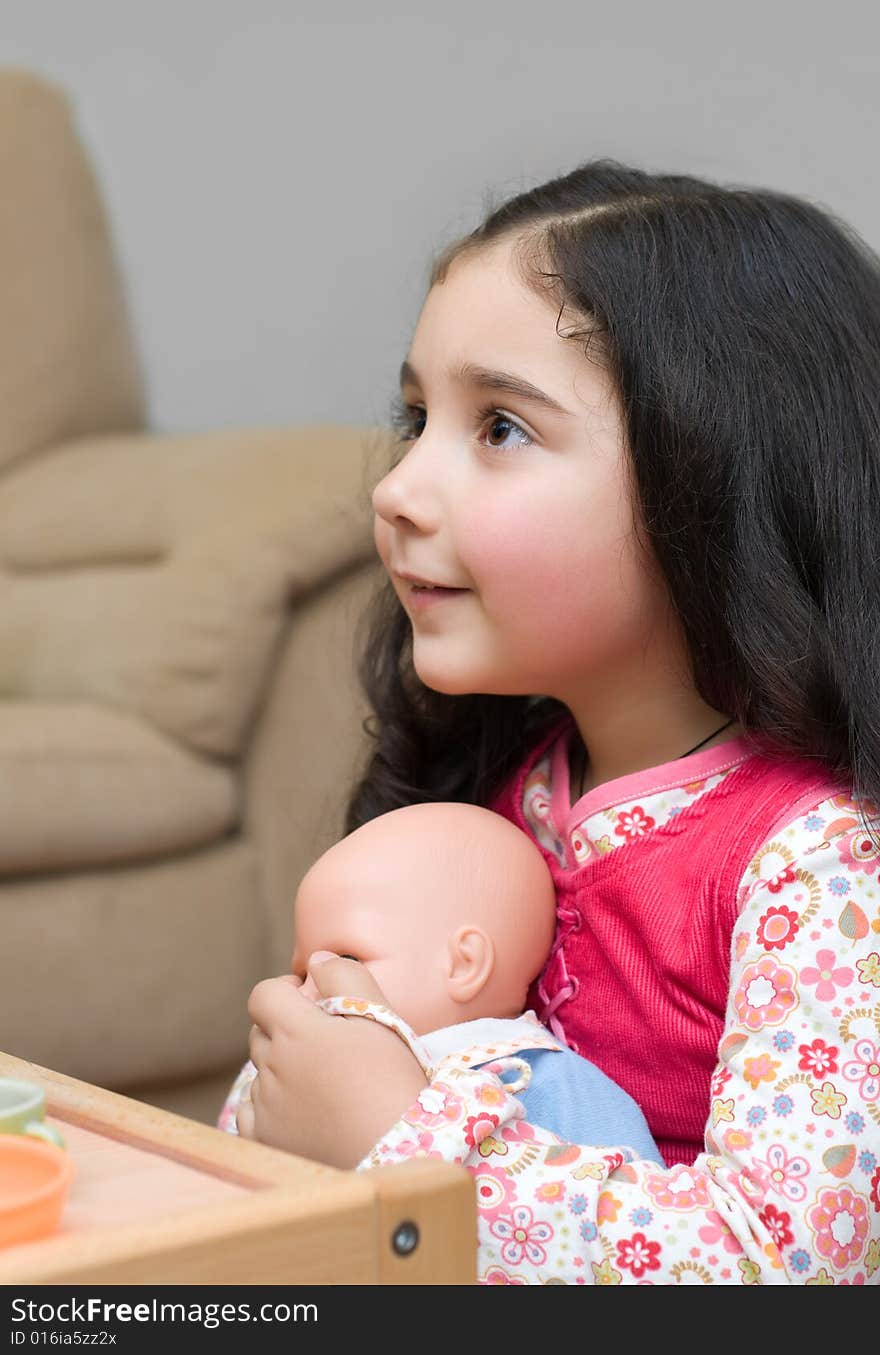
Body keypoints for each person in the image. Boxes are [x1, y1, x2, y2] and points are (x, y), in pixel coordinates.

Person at [236, 159, 880, 1285]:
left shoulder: (820, 862)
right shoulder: (509, 788)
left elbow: (788, 1263)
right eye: (415, 417)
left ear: (714, 475)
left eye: (498, 426)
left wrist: (405, 1150)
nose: (395, 487)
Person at [221, 800, 660, 1164]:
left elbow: (629, 1216)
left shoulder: (540, 1082)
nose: (307, 992)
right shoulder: (298, 1053)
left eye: (349, 958)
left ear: (464, 964)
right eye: (300, 973)